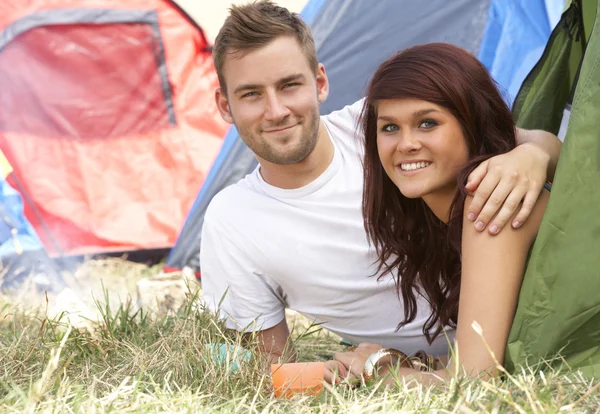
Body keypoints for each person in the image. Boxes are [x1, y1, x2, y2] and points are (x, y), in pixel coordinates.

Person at [201, 1, 562, 368]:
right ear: (225, 105)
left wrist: (534, 156)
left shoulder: (383, 121)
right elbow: (269, 371)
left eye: (289, 85)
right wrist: (355, 370)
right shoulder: (232, 221)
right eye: (251, 94)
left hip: (518, 330)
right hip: (472, 353)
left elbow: (514, 141)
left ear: (320, 83)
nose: (276, 110)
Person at [327, 43, 552, 384]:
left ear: (472, 124)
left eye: (427, 123)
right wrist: (394, 360)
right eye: (389, 128)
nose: (405, 144)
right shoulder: (444, 216)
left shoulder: (491, 202)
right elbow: (493, 351)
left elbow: (473, 382)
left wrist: (371, 376)